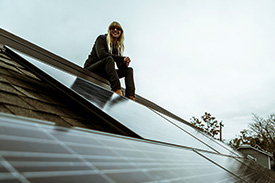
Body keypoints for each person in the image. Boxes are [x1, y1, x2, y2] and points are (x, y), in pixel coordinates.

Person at [84, 21, 135, 100]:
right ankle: (117, 89)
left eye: (118, 29)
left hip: (105, 72)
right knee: (109, 59)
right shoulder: (101, 38)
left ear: (121, 32)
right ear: (109, 30)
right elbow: (102, 55)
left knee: (129, 70)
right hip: (91, 69)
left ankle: (130, 96)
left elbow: (119, 66)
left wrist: (124, 63)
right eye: (112, 28)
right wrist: (121, 58)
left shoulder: (117, 48)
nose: (115, 30)